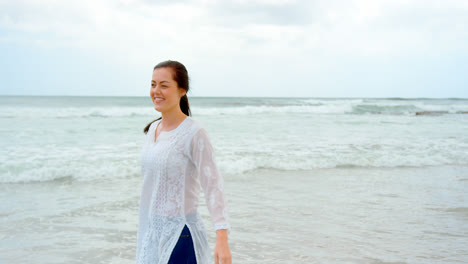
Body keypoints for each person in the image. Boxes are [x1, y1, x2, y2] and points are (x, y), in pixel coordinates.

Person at [136, 60, 232, 264]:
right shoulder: (153, 130)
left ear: (182, 90)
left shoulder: (194, 132)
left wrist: (222, 238)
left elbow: (213, 185)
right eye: (153, 84)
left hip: (181, 234)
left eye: (164, 85)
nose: (156, 91)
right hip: (153, 234)